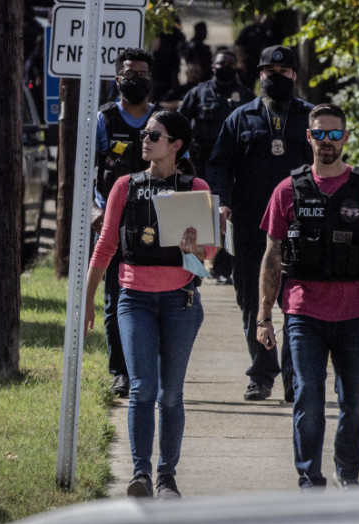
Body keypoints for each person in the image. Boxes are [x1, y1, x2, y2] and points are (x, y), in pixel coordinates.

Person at [257, 103, 359, 491]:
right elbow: (272, 256)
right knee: (308, 399)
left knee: (355, 402)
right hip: (303, 313)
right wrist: (263, 315)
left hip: (354, 316)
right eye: (319, 133)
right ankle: (310, 477)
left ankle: (348, 470)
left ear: (345, 137)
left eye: (334, 134)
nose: (327, 141)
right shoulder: (287, 190)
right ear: (308, 137)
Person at [85, 110, 215, 499]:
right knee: (142, 389)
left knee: (170, 394)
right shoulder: (125, 186)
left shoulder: (195, 186)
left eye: (154, 135)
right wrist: (89, 299)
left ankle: (166, 477)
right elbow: (107, 244)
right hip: (134, 299)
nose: (145, 139)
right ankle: (140, 475)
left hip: (181, 300)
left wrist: (196, 248)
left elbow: (209, 253)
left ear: (175, 145)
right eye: (144, 133)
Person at [207, 45, 313, 402]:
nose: (275, 77)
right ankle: (262, 374)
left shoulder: (311, 118)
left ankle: (293, 379)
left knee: (297, 303)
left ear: (294, 76)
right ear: (259, 74)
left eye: (283, 72)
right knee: (253, 302)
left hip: (303, 225)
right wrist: (221, 203)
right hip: (252, 225)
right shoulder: (241, 118)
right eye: (269, 71)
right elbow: (219, 164)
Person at [93, 48, 159, 399]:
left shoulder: (161, 122)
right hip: (114, 226)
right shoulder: (104, 120)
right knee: (116, 298)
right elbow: (84, 173)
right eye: (130, 73)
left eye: (143, 73)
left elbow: (186, 173)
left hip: (155, 227)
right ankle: (120, 371)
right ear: (117, 79)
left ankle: (151, 368)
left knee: (158, 298)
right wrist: (93, 209)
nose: (136, 79)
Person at [178, 49, 254, 285]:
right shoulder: (199, 93)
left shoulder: (245, 96)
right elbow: (179, 123)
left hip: (232, 167)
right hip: (200, 165)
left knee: (227, 217)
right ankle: (195, 262)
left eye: (231, 63)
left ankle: (224, 267)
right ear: (213, 67)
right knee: (198, 215)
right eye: (221, 64)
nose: (226, 67)